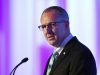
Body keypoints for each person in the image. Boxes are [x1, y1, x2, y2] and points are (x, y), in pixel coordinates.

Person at [38, 6, 97, 75]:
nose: (47, 31)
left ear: (66, 25)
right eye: (43, 26)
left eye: (52, 24)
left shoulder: (80, 54)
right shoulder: (53, 57)